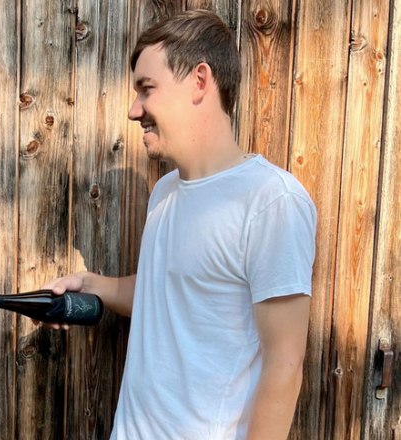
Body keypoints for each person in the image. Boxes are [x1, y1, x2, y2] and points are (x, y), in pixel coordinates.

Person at [42, 9, 316, 440]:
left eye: (146, 90)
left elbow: (285, 366)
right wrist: (92, 284)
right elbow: (167, 291)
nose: (134, 111)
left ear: (200, 81)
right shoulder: (166, 192)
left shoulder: (270, 201)